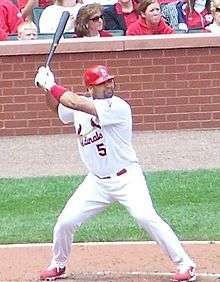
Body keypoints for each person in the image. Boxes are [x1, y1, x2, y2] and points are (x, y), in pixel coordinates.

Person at [34, 64, 196, 282]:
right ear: (90, 88)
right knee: (65, 222)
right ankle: (58, 264)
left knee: (146, 217)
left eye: (109, 80)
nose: (109, 84)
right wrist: (45, 89)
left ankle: (185, 265)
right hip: (96, 182)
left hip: (127, 177)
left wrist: (52, 85)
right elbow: (59, 110)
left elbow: (73, 102)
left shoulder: (117, 106)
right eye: (102, 83)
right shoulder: (78, 106)